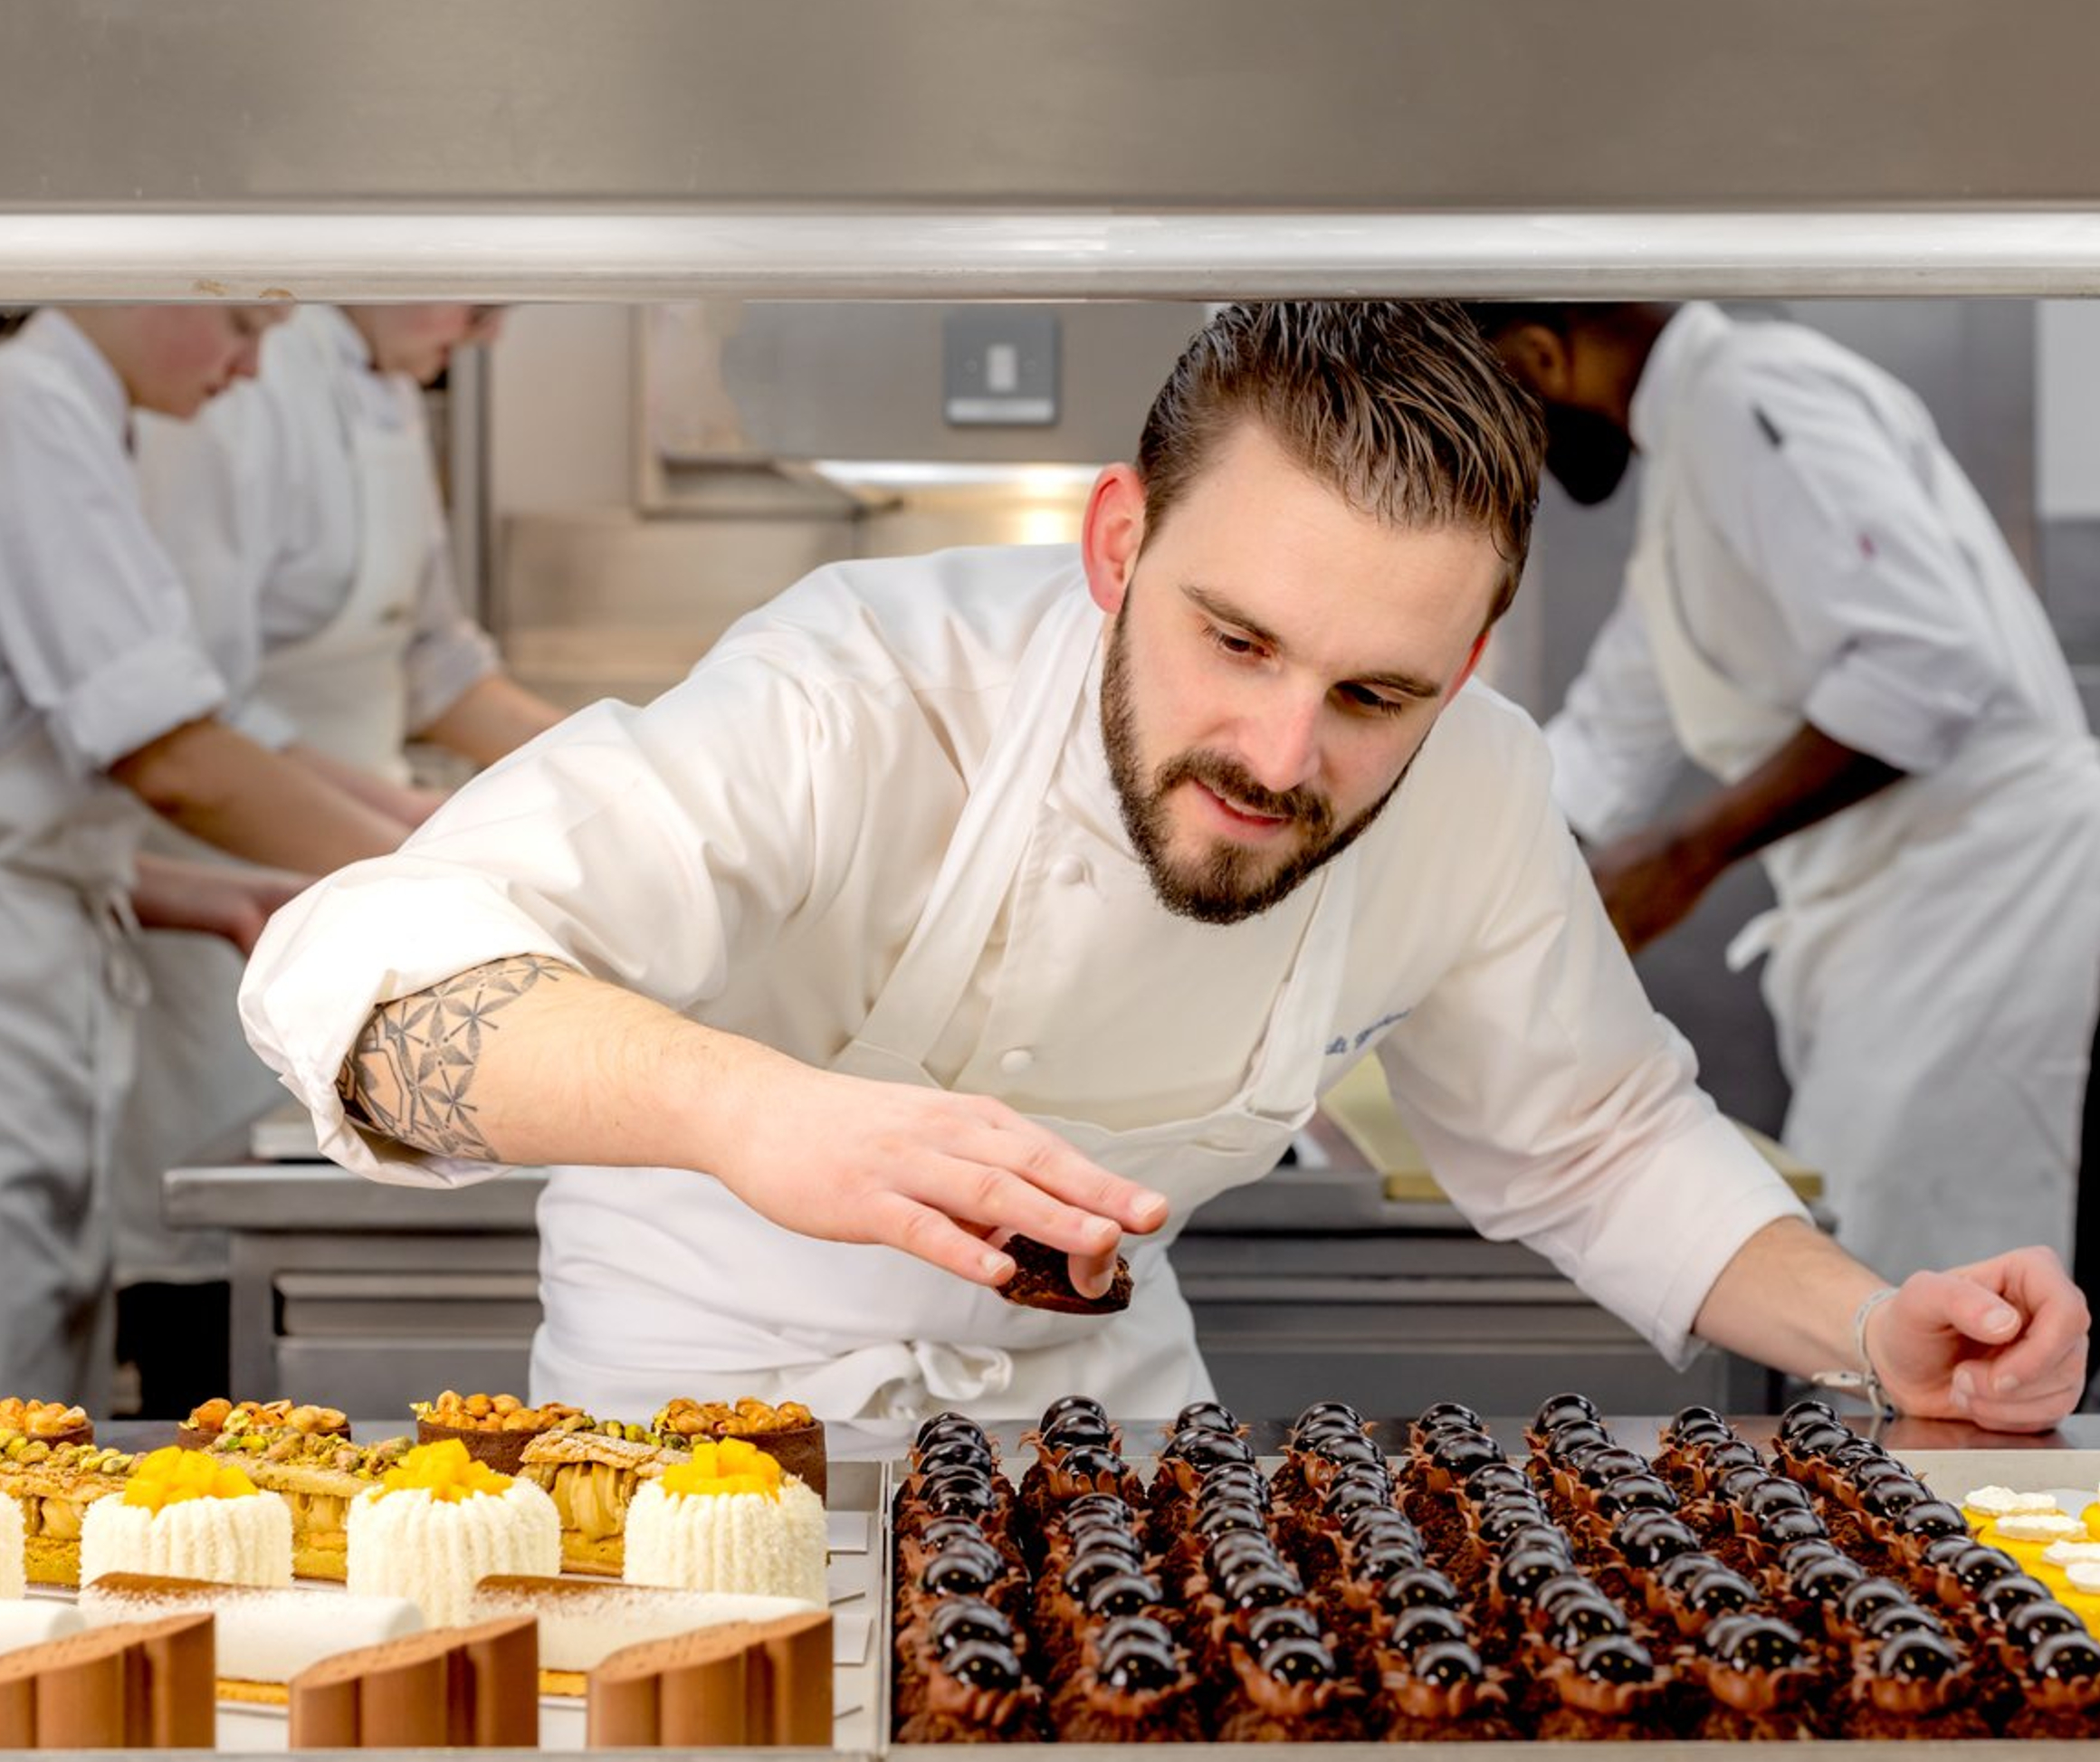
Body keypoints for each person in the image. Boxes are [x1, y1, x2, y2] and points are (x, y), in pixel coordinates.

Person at [241, 301, 2088, 1433]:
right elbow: (365, 970)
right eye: (1234, 641)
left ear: (1462, 666)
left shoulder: (1473, 786)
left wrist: (1868, 1325)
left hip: (1101, 1439)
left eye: (1372, 690)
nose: (1282, 758)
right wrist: (756, 1115)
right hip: (696, 1433)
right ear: (1115, 544)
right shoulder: (864, 691)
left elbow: (1592, 1137)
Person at [1465, 301, 2100, 1290]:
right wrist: (1439, 884)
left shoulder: (1748, 394)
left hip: (1986, 905)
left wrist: (1687, 853)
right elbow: (1606, 738)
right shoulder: (1690, 467)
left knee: (1927, 1291)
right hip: (1898, 928)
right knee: (1870, 1286)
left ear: (1544, 353)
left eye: (1498, 392)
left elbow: (1923, 669)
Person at [113, 304, 565, 1401]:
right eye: (476, 297)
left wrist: (643, 793)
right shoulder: (239, 382)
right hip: (243, 884)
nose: (492, 333)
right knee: (202, 1268)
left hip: (374, 884)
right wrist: (427, 864)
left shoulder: (390, 385)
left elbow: (440, 669)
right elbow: (198, 726)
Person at [0, 305, 425, 1411]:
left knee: (51, 1371)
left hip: (59, 961)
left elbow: (38, 783)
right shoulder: (28, 408)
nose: (252, 369)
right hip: (20, 980)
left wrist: (202, 892)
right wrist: (433, 888)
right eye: (240, 323)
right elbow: (176, 758)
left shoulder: (91, 422)